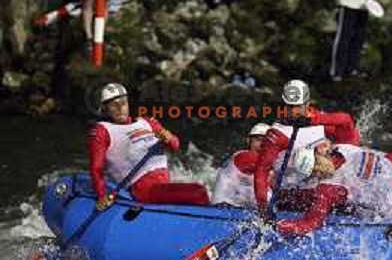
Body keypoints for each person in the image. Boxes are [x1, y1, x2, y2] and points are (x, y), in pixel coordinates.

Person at [88, 82, 210, 210]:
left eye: (123, 103)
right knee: (199, 191)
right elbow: (96, 168)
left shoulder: (147, 122)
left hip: (162, 186)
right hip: (143, 189)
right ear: (105, 108)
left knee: (201, 189)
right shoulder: (102, 131)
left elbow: (175, 146)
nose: (120, 108)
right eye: (114, 105)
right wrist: (102, 196)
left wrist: (169, 138)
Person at [254, 80, 360, 214]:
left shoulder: (319, 120)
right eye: (290, 106)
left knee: (348, 194)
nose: (294, 111)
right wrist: (263, 208)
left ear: (307, 103)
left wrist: (338, 158)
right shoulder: (276, 135)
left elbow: (348, 125)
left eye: (298, 106)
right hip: (293, 194)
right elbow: (261, 171)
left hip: (324, 188)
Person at [277, 143, 392, 236]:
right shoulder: (342, 148)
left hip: (386, 206)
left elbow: (309, 225)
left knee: (309, 199)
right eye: (314, 170)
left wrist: (276, 225)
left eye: (317, 164)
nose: (320, 169)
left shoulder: (327, 190)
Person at [212, 123, 271, 208]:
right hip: (224, 208)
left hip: (239, 211)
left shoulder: (263, 168)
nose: (262, 145)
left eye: (267, 142)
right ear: (248, 141)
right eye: (258, 140)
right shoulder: (243, 157)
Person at [330, 0, 371, 81]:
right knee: (343, 37)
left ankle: (352, 69)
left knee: (358, 39)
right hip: (348, 3)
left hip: (364, 6)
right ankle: (337, 71)